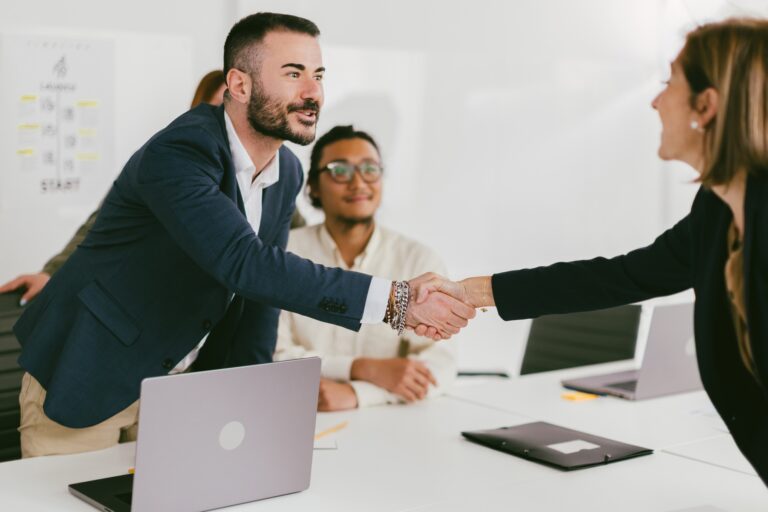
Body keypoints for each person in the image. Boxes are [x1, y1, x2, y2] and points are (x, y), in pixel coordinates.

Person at [11, 12, 474, 458]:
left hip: (173, 384)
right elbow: (245, 263)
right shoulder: (180, 152)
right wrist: (396, 302)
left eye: (318, 75)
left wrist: (245, 408)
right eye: (293, 74)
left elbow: (259, 301)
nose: (313, 92)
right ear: (239, 84)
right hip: (90, 368)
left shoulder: (286, 170)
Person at [423, 18, 768, 484]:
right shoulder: (717, 210)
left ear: (705, 106)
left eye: (669, 83)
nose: (654, 100)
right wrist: (471, 292)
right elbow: (622, 276)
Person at [0, 69, 228, 305]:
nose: (228, 119)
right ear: (198, 111)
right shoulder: (165, 163)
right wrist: (50, 273)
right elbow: (101, 225)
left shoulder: (258, 178)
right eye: (220, 106)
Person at [275, 125, 456, 411]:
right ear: (313, 186)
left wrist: (358, 393)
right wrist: (362, 368)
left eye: (370, 169)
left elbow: (440, 365)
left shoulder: (419, 261)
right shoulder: (283, 253)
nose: (358, 183)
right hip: (295, 413)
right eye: (340, 171)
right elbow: (273, 355)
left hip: (391, 424)